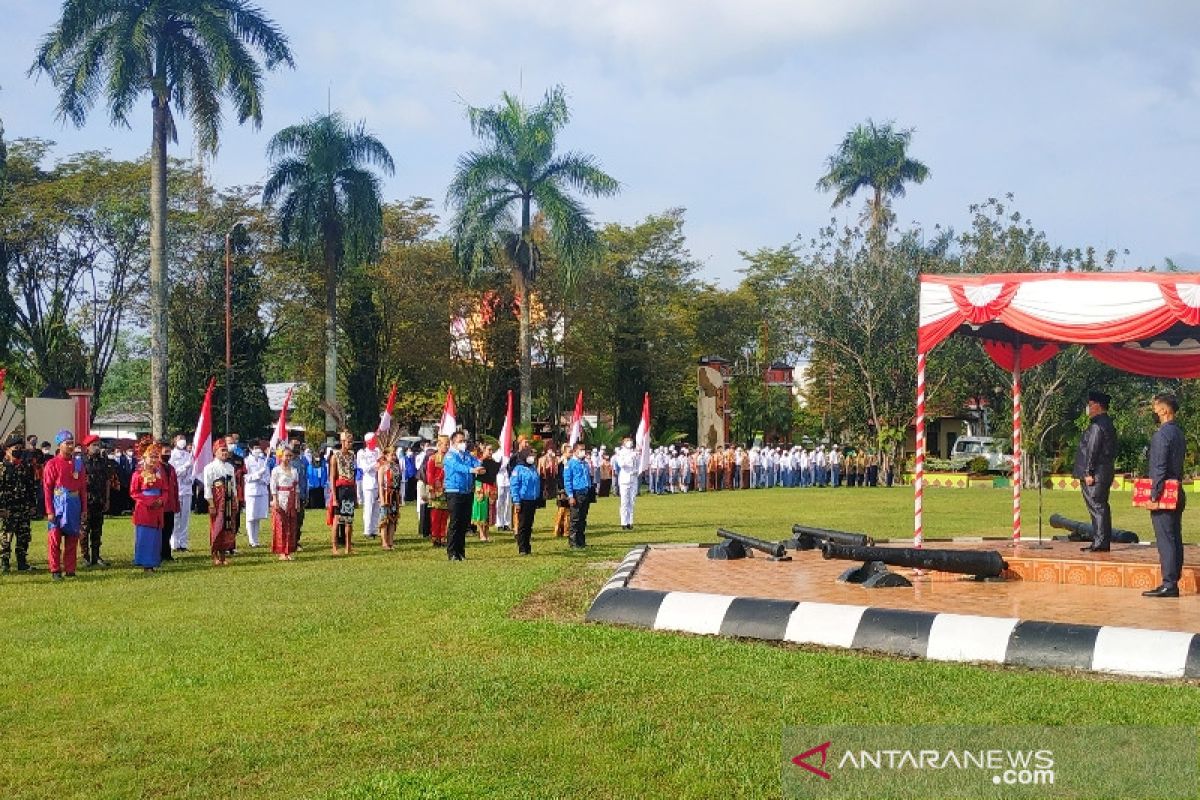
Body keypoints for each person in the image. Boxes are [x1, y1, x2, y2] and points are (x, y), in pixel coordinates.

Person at [1143, 392, 1186, 598]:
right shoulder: (1178, 432)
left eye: (1156, 408)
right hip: (1177, 489)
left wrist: (1153, 496)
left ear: (1165, 410)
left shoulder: (1162, 435)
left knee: (1166, 539)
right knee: (1175, 536)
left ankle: (1169, 583)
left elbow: (1159, 468)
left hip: (1165, 493)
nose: (1154, 411)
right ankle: (1173, 578)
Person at [1073, 390, 1117, 552]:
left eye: (1090, 405)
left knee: (1097, 507)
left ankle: (1101, 542)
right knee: (1100, 507)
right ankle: (1100, 540)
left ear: (1098, 406)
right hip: (1103, 471)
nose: (1088, 409)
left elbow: (1092, 449)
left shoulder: (1098, 425)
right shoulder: (1107, 423)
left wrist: (1088, 472)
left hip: (1096, 473)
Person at [43, 430, 87, 581]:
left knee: (72, 538)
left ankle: (70, 569)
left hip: (74, 504)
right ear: (59, 445)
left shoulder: (78, 463)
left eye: (71, 443)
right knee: (55, 538)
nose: (70, 446)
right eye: (67, 443)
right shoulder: (52, 464)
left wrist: (84, 509)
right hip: (58, 504)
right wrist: (49, 510)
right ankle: (55, 569)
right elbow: (47, 488)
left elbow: (82, 488)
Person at [0, 435, 38, 573]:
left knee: (24, 535)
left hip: (24, 507)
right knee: (6, 536)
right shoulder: (2, 468)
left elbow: (31, 487)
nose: (19, 451)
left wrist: (33, 505)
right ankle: (5, 563)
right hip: (8, 508)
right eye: (16, 448)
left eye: (21, 448)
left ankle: (22, 562)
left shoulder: (25, 467)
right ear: (7, 449)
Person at [444, 432, 483, 561]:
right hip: (454, 491)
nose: (463, 443)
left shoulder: (467, 455)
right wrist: (471, 470)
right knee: (455, 523)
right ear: (453, 442)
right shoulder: (449, 456)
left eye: (464, 441)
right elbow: (457, 467)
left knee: (463, 523)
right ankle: (452, 552)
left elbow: (476, 462)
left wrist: (481, 467)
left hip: (467, 491)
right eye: (460, 441)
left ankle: (461, 552)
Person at [130, 442, 166, 572]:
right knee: (145, 536)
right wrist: (149, 502)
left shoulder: (160, 474)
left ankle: (154, 561)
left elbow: (165, 490)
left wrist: (162, 500)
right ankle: (145, 563)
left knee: (155, 537)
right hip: (144, 509)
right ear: (144, 458)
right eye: (151, 457)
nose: (154, 460)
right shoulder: (138, 474)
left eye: (156, 457)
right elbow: (134, 492)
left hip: (158, 508)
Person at [203, 438, 239, 566]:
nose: (225, 453)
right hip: (217, 500)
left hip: (229, 499)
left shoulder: (230, 467)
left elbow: (233, 485)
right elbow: (207, 487)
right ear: (215, 451)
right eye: (222, 450)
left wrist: (235, 499)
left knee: (228, 527)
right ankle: (215, 555)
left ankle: (224, 554)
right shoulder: (210, 468)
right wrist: (211, 504)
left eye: (226, 450)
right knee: (217, 526)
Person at [81, 435, 111, 567]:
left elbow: (107, 481)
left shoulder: (103, 461)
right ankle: (85, 557)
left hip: (99, 500)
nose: (97, 447)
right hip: (86, 501)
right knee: (84, 530)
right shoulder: (81, 461)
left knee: (97, 530)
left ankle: (96, 556)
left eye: (98, 445)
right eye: (94, 445)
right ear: (87, 447)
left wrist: (107, 499)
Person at [328, 430, 356, 555]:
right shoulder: (335, 456)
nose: (351, 444)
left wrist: (355, 495)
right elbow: (332, 478)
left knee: (349, 520)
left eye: (351, 441)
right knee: (337, 518)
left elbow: (353, 476)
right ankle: (334, 547)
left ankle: (348, 546)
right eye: (349, 441)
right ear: (343, 442)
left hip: (350, 489)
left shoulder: (352, 456)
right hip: (340, 489)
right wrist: (334, 497)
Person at [269, 446, 300, 561]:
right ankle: (281, 551)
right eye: (286, 455)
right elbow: (273, 486)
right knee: (280, 525)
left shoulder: (294, 470)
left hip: (291, 498)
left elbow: (296, 487)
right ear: (280, 456)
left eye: (290, 456)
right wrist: (275, 499)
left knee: (290, 525)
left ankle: (288, 550)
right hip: (280, 497)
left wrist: (297, 501)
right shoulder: (276, 470)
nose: (288, 458)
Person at [509, 448, 541, 555]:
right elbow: (514, 486)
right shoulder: (518, 469)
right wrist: (516, 501)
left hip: (532, 500)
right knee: (522, 524)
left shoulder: (533, 468)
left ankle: (528, 546)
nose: (532, 458)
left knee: (529, 524)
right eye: (530, 455)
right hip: (523, 500)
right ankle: (522, 547)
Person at [563, 442, 594, 548]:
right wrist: (570, 496)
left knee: (582, 518)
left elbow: (588, 477)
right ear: (575, 451)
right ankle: (573, 542)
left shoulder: (584, 463)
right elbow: (567, 481)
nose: (583, 452)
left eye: (584, 449)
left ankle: (581, 541)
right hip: (576, 493)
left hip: (585, 492)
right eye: (581, 450)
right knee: (575, 518)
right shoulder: (570, 464)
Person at [169, 435, 194, 551]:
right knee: (176, 517)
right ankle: (174, 543)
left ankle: (183, 543)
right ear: (175, 441)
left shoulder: (189, 455)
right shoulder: (172, 456)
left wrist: (191, 478)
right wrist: (185, 466)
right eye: (179, 439)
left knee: (185, 517)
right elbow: (174, 473)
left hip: (187, 489)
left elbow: (194, 470)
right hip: (177, 489)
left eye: (183, 439)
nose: (182, 441)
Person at [425, 436, 450, 547]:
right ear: (439, 445)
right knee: (436, 515)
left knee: (445, 515)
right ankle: (435, 537)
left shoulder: (450, 458)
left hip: (448, 489)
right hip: (436, 490)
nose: (447, 446)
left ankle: (443, 536)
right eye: (445, 444)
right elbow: (429, 475)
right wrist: (432, 490)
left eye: (448, 444)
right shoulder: (433, 458)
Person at [613, 436, 641, 530]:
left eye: (630, 441)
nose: (630, 442)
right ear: (623, 443)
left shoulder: (634, 453)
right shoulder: (620, 453)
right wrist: (630, 457)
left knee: (632, 502)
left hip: (633, 478)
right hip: (625, 478)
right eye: (627, 441)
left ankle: (630, 522)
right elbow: (622, 464)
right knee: (624, 501)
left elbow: (638, 464)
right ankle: (623, 522)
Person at [357, 432, 382, 539]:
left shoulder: (377, 451)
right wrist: (375, 464)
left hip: (378, 482)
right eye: (373, 440)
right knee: (368, 507)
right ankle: (367, 530)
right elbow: (364, 468)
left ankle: (374, 530)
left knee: (377, 508)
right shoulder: (362, 453)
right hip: (369, 483)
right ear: (368, 442)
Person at [472, 443, 498, 542]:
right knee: (481, 510)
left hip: (491, 487)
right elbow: (477, 476)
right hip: (481, 487)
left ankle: (486, 533)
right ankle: (481, 533)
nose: (491, 452)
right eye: (489, 450)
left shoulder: (493, 462)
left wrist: (496, 488)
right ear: (484, 450)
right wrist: (479, 488)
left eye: (492, 450)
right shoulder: (479, 461)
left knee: (489, 510)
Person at [378, 445, 402, 550]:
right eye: (392, 454)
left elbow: (399, 483)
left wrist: (399, 497)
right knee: (384, 520)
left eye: (394, 454)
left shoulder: (397, 467)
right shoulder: (382, 468)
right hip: (386, 495)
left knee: (393, 519)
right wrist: (382, 499)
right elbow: (380, 485)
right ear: (386, 456)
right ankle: (384, 542)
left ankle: (391, 541)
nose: (393, 457)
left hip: (394, 496)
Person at [494, 446, 512, 532]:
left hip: (508, 480)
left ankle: (507, 523)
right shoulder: (496, 454)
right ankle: (499, 523)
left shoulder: (510, 454)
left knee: (508, 502)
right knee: (499, 502)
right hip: (500, 479)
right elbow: (495, 468)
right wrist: (503, 463)